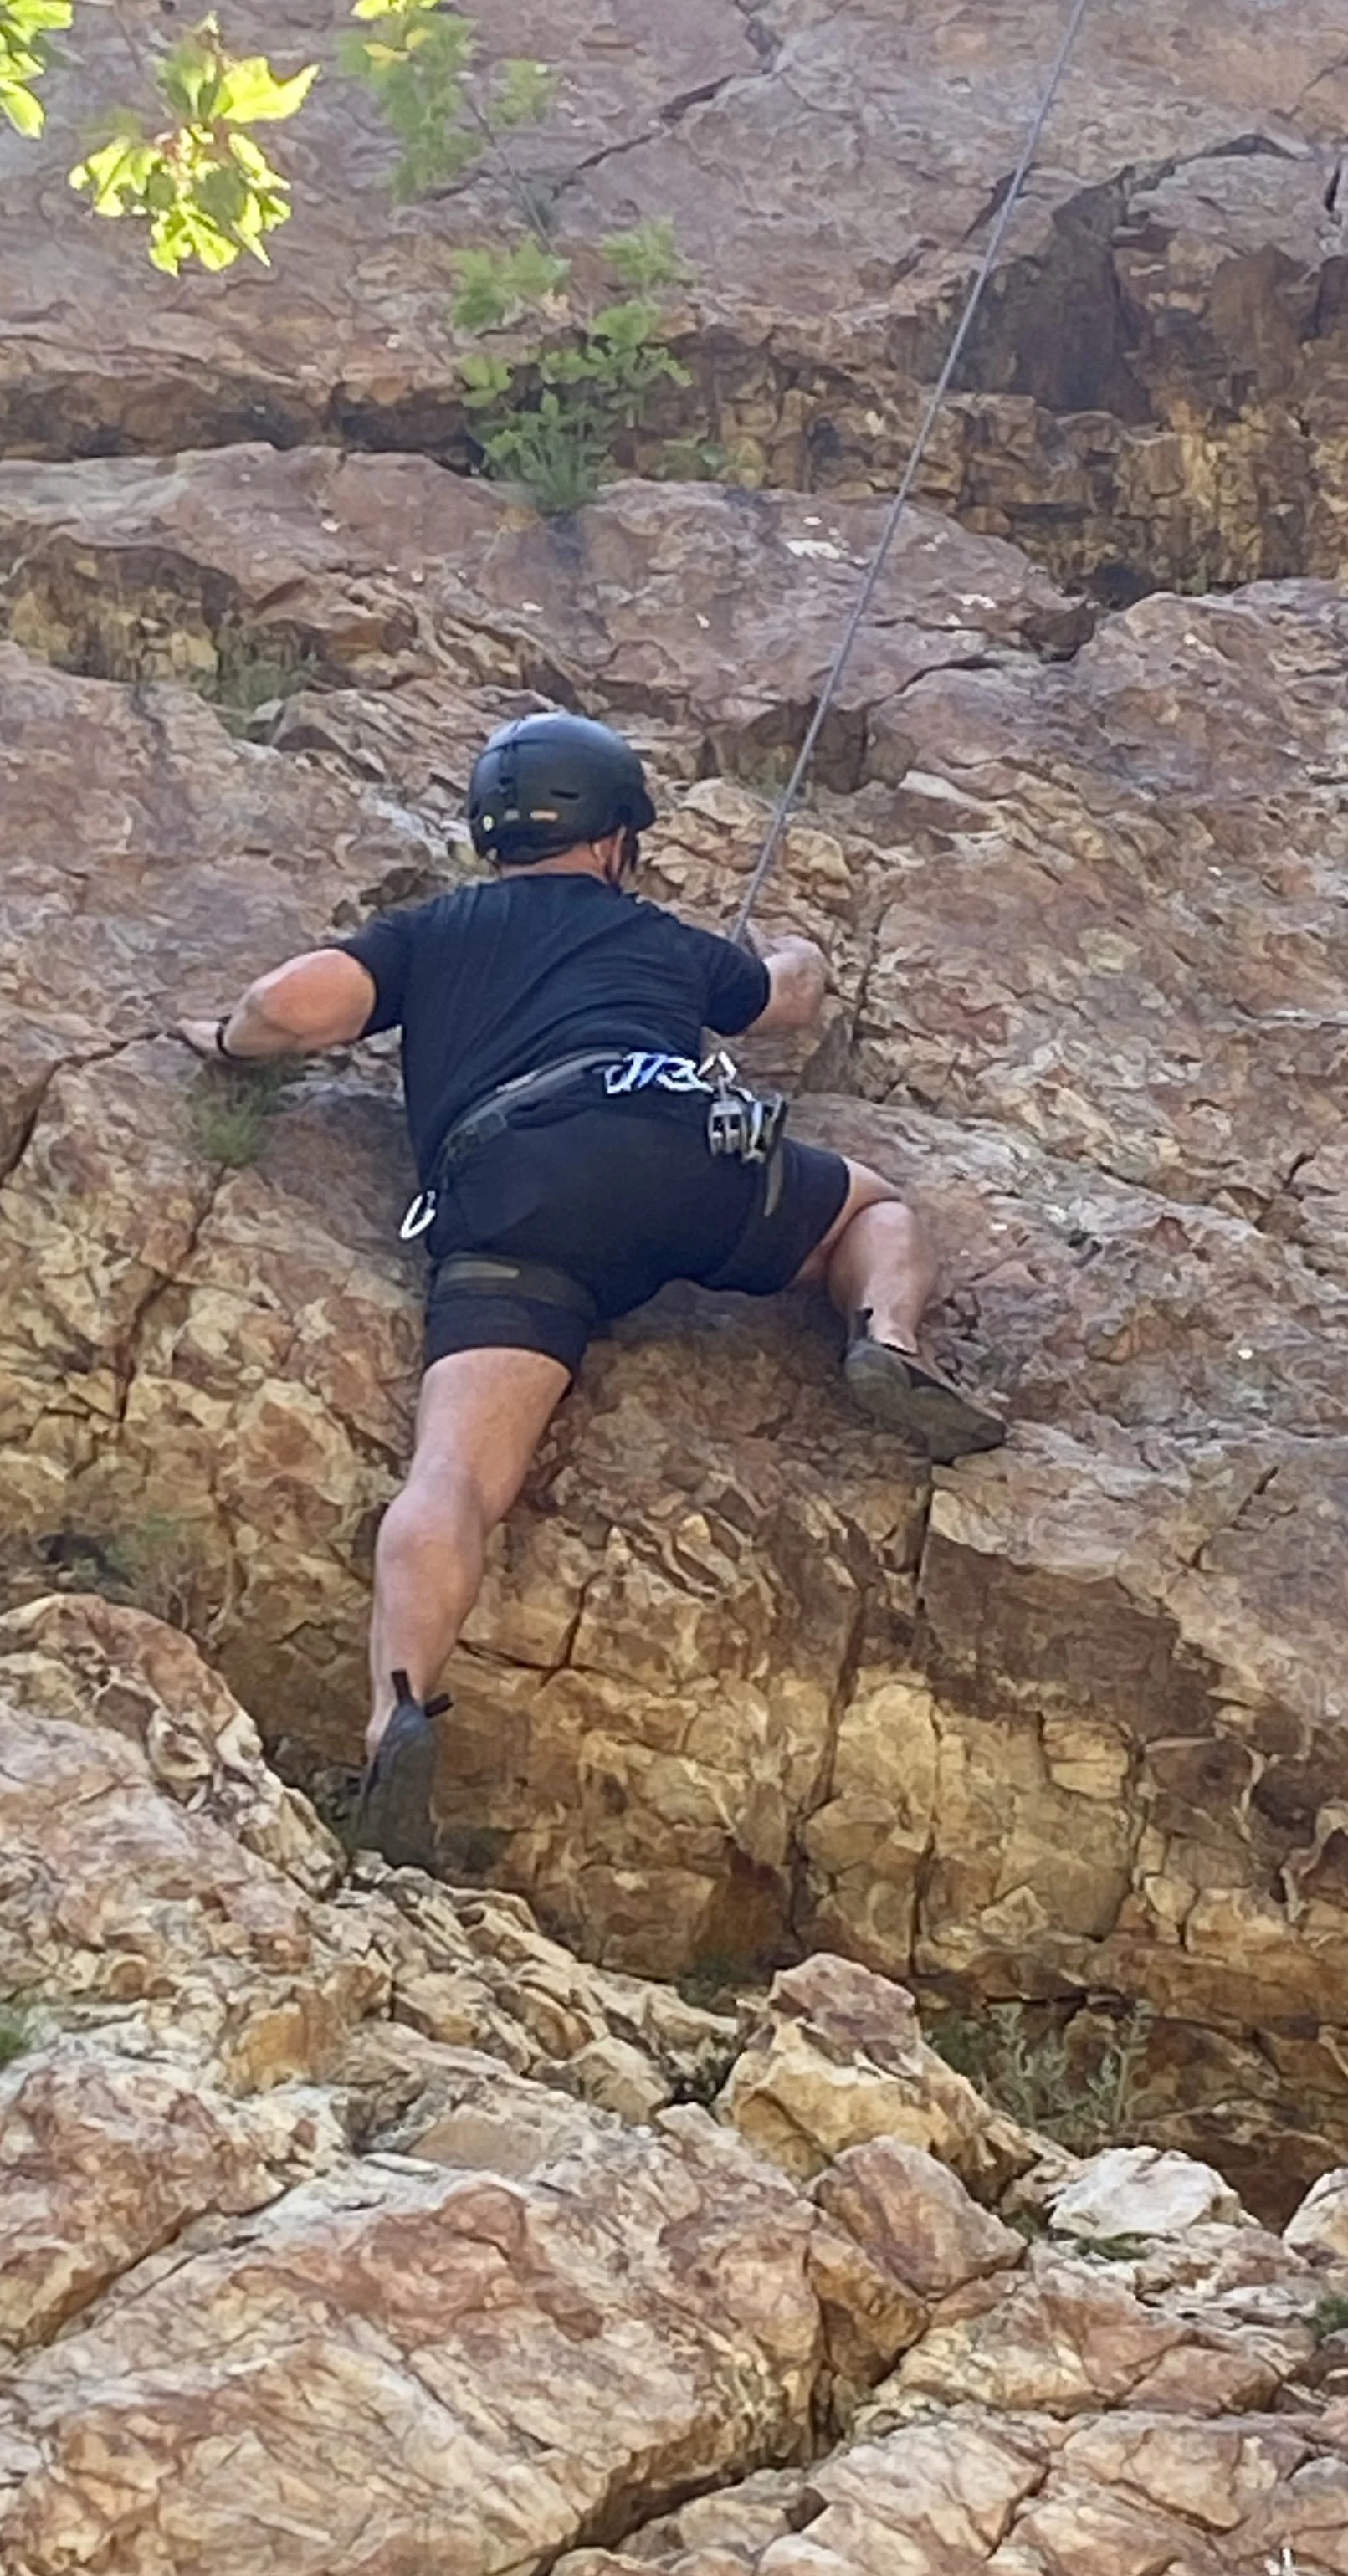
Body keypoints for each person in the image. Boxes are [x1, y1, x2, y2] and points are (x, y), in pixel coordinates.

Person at [181, 710, 1003, 1864]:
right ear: (618, 841)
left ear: (491, 839)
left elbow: (289, 1006)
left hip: (516, 1199)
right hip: (677, 1153)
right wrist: (801, 954)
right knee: (872, 1207)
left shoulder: (434, 931)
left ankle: (396, 1717)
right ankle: (883, 1335)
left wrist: (224, 1038)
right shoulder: (661, 939)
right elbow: (782, 1001)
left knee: (454, 1477)